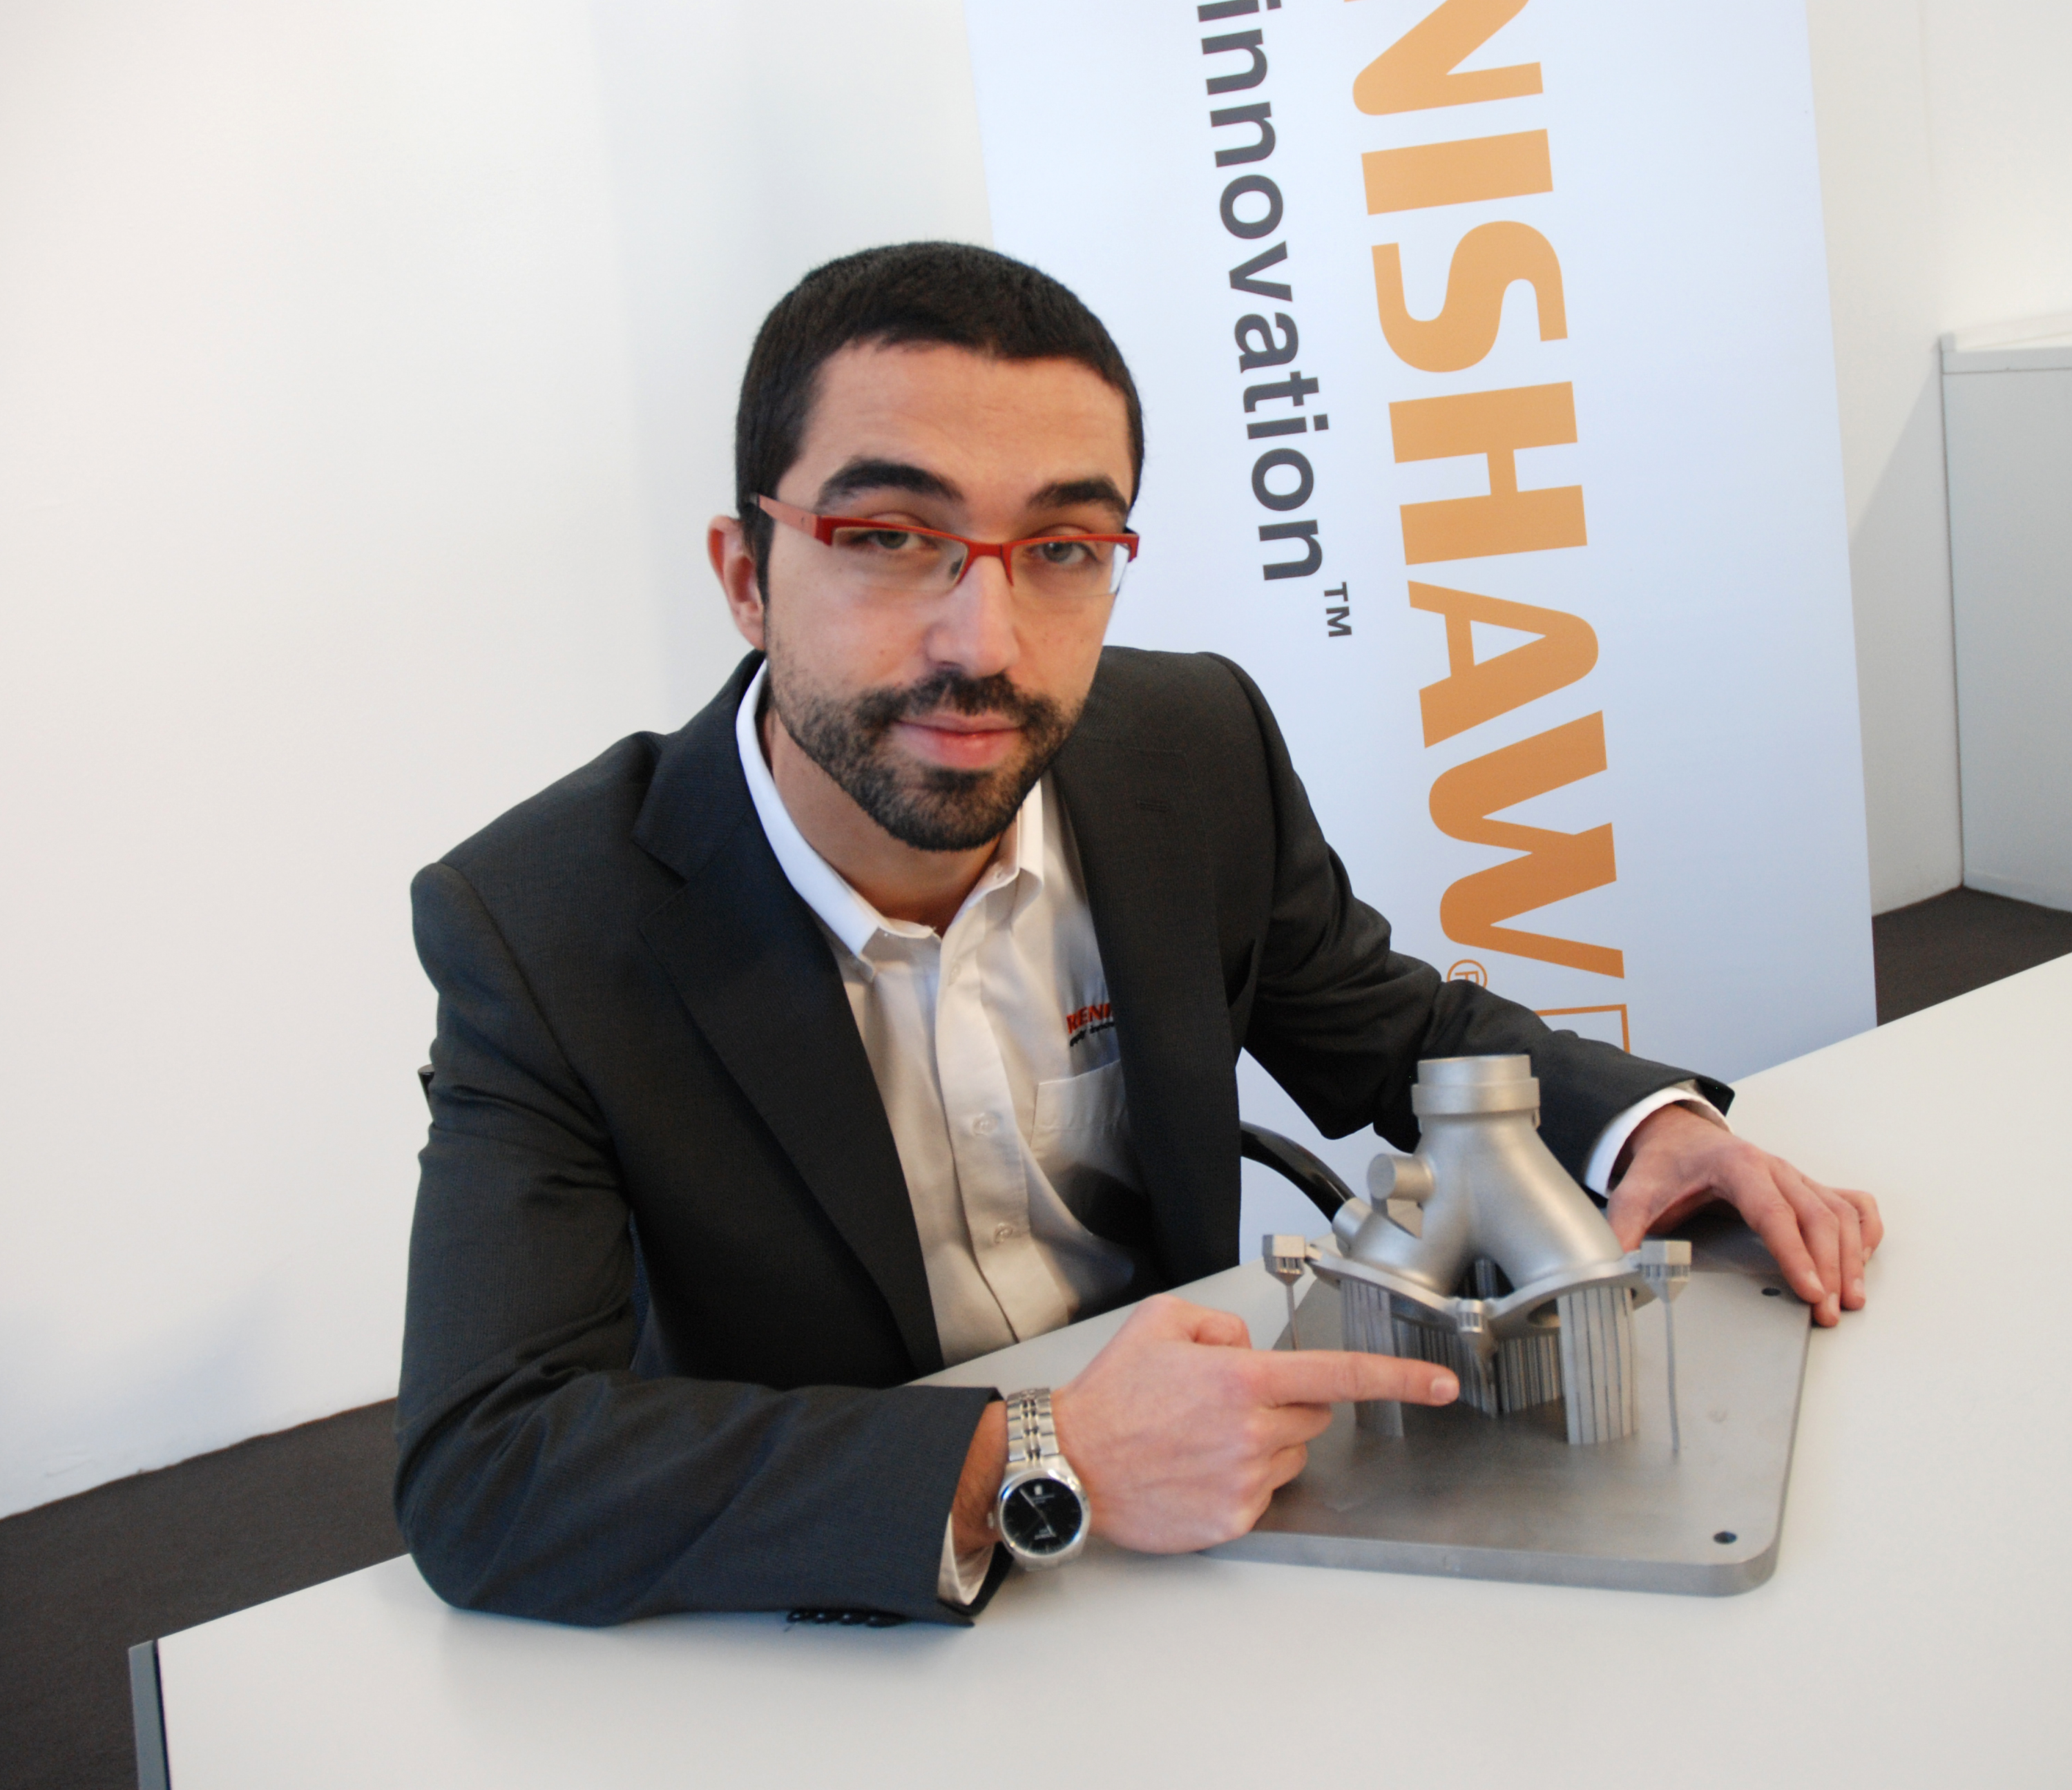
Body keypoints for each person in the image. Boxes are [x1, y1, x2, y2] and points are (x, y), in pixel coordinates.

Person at [398, 242, 1880, 1626]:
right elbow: (489, 1463)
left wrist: (1647, 1130)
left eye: (1061, 546)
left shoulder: (1189, 749)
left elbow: (1391, 1027)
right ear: (746, 575)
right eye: (890, 537)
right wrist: (1043, 1452)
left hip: (1214, 1567)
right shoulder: (542, 926)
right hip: (852, 1605)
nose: (984, 643)